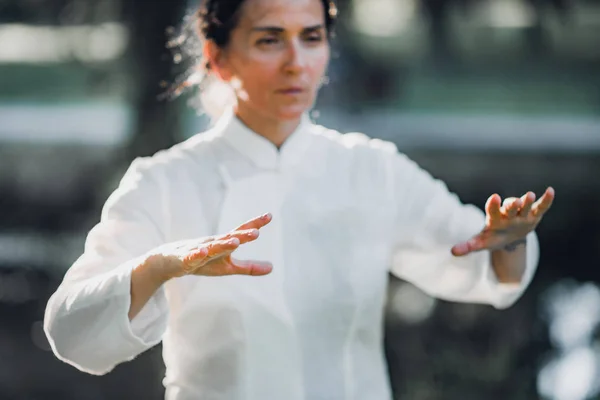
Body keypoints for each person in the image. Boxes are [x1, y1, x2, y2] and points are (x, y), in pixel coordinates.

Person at [43, 0, 555, 399]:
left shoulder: (371, 169)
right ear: (217, 57)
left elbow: (484, 266)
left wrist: (508, 242)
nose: (296, 62)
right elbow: (70, 330)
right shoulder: (164, 182)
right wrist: (159, 268)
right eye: (270, 40)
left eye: (312, 38)